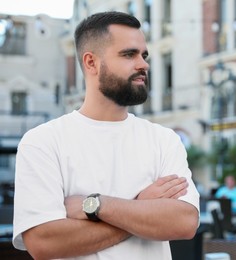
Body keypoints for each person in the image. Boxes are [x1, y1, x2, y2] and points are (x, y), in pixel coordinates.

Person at [12, 11, 199, 260]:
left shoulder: (164, 139)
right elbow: (43, 242)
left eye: (144, 55)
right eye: (128, 54)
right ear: (91, 63)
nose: (143, 64)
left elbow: (185, 222)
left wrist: (96, 205)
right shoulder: (43, 142)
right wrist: (142, 207)